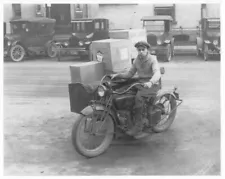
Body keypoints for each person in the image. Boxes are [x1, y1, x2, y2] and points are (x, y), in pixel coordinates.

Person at [111, 41, 161, 139]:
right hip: (141, 83)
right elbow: (129, 74)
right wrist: (117, 75)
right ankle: (128, 118)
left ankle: (138, 126)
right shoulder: (136, 61)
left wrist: (150, 82)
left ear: (147, 50)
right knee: (123, 91)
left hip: (152, 84)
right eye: (139, 50)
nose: (141, 51)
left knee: (139, 97)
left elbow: (157, 73)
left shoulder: (152, 59)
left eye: (143, 50)